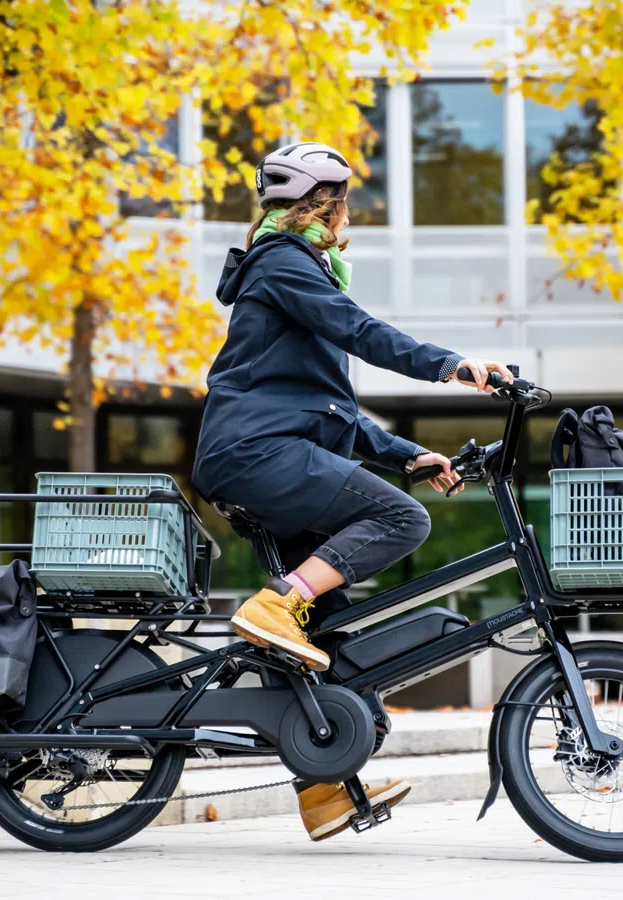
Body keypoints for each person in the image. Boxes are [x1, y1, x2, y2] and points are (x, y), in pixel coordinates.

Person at [191, 141, 509, 841]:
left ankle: (323, 791)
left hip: (271, 451)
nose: (348, 219)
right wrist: (455, 366)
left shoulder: (292, 272)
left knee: (320, 636)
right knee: (399, 519)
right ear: (323, 205)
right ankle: (278, 603)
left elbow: (330, 411)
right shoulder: (284, 265)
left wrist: (408, 454)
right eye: (343, 205)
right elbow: (361, 333)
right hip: (256, 455)